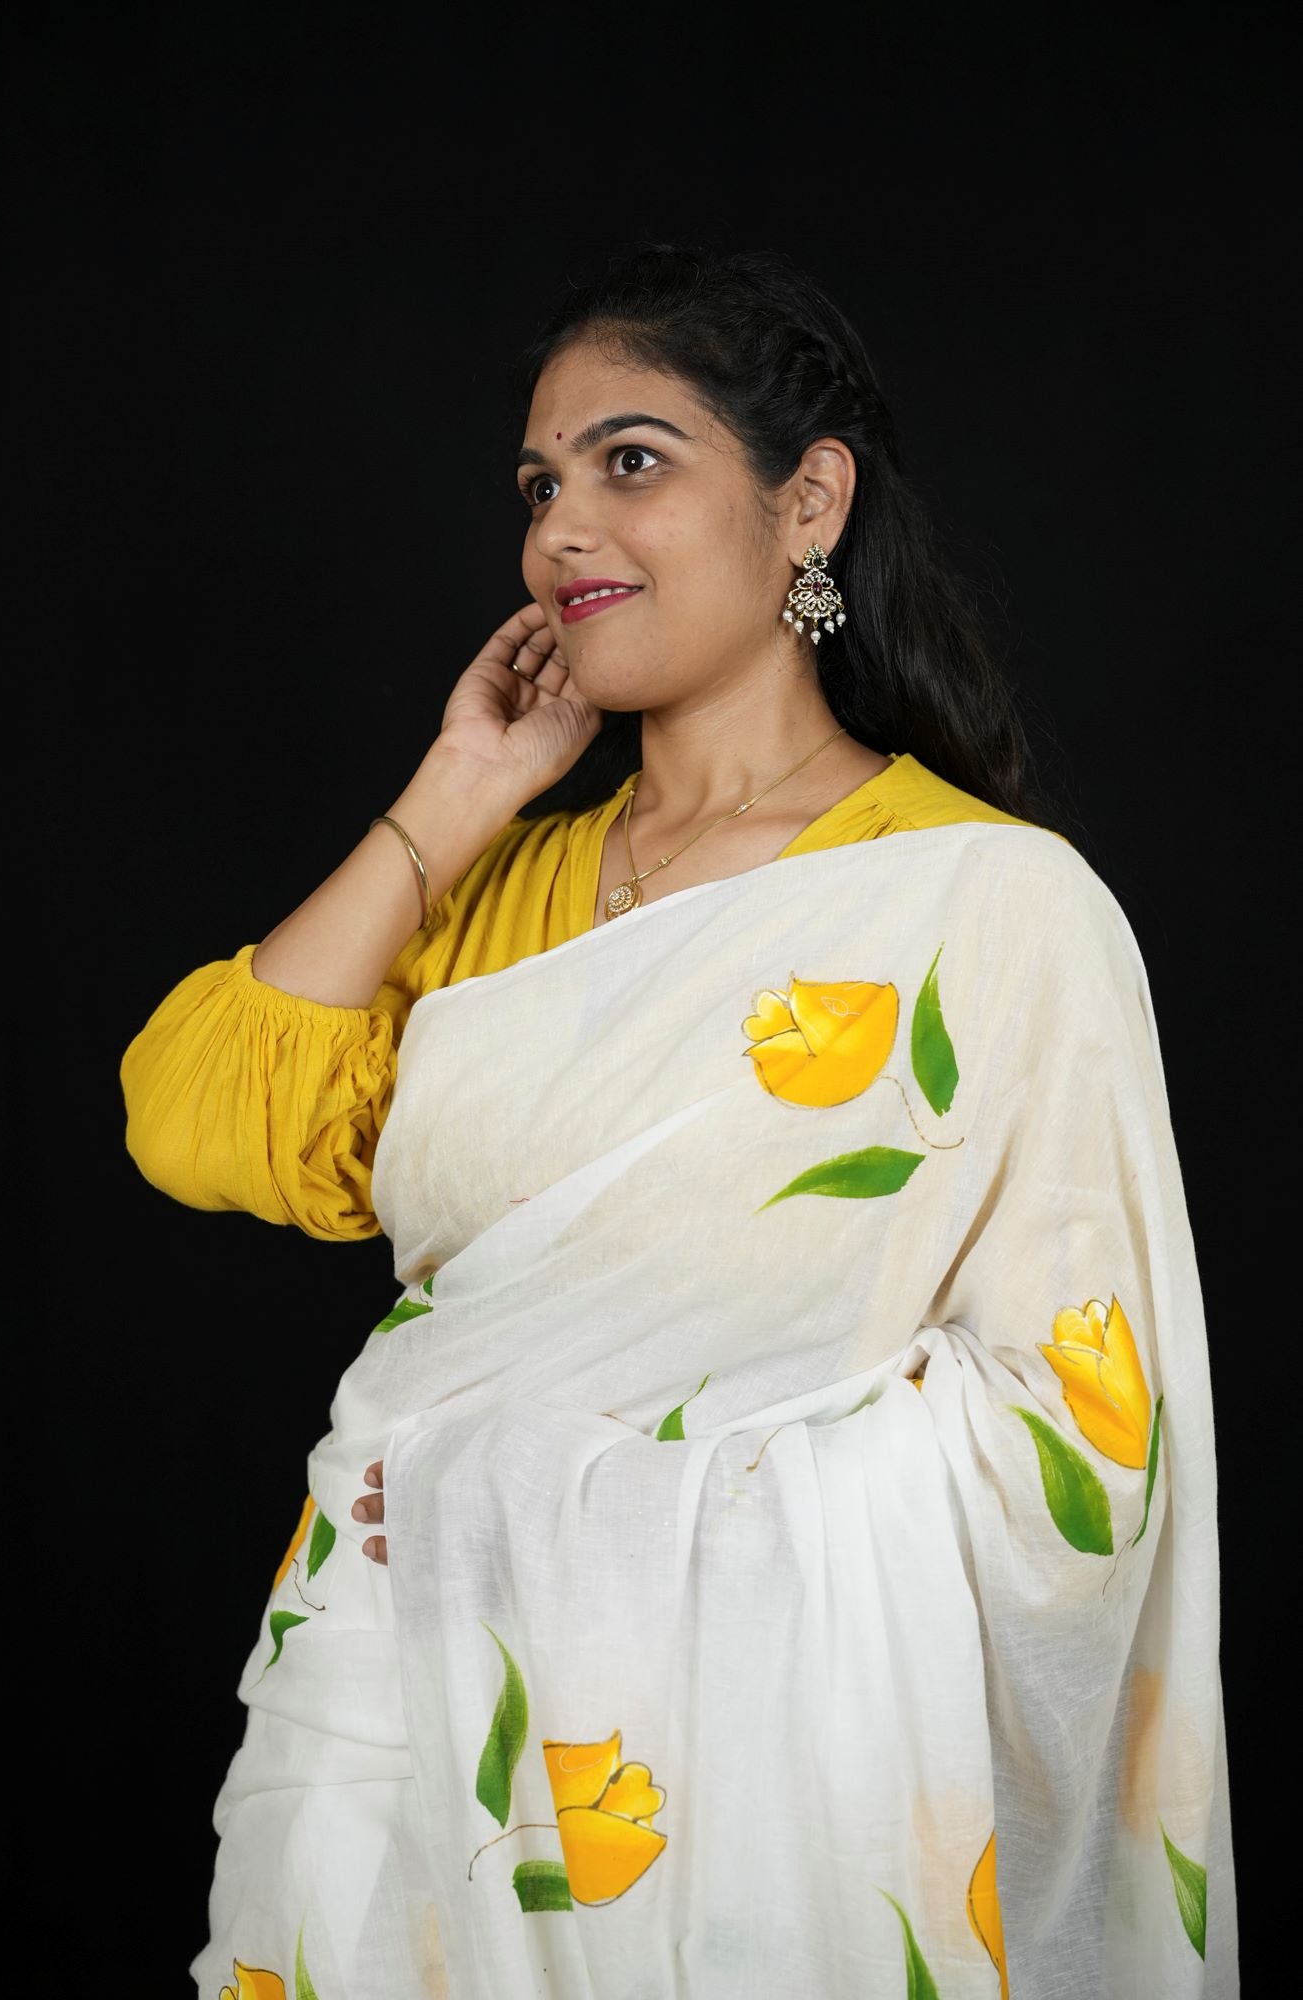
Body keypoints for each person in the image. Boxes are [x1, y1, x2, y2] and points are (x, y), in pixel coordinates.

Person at [121, 244, 1237, 1998]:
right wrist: (460, 791)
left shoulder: (984, 905)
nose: (560, 531)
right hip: (421, 1740)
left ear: (809, 503)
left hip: (762, 1794)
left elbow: (1080, 1447)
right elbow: (199, 1123)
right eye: (537, 487)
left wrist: (536, 1494)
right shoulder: (499, 891)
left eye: (628, 463)